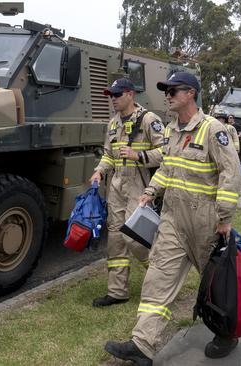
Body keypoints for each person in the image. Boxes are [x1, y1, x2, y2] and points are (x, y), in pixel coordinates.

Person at [104, 72, 241, 365]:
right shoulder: (170, 131)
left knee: (215, 284)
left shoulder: (212, 130)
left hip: (206, 222)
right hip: (172, 219)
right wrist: (151, 191)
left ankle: (227, 333)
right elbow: (167, 167)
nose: (167, 95)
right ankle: (142, 345)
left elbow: (230, 175)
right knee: (157, 279)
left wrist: (225, 219)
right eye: (165, 91)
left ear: (190, 93)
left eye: (172, 90)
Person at [89, 78, 165, 307]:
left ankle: (160, 284)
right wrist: (99, 171)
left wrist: (138, 156)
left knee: (137, 239)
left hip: (139, 186)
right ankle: (117, 292)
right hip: (116, 185)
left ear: (130, 94)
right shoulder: (113, 123)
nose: (113, 99)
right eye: (111, 95)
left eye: (117, 94)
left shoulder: (149, 120)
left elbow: (167, 153)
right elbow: (108, 154)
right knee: (115, 240)